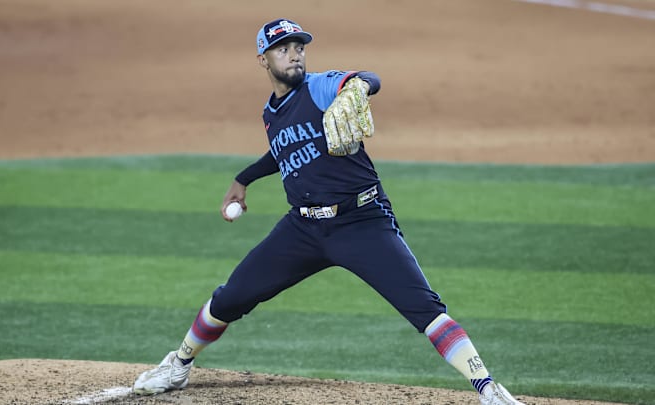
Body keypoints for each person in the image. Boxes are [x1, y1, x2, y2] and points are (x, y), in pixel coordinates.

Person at [133, 18, 525, 405]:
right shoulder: (270, 114)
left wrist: (357, 88)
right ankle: (179, 364)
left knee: (425, 308)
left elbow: (369, 78)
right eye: (283, 49)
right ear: (263, 60)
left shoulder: (320, 88)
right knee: (230, 297)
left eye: (299, 48)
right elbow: (282, 152)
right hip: (302, 229)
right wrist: (244, 178)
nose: (294, 55)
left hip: (362, 222)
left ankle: (489, 390)